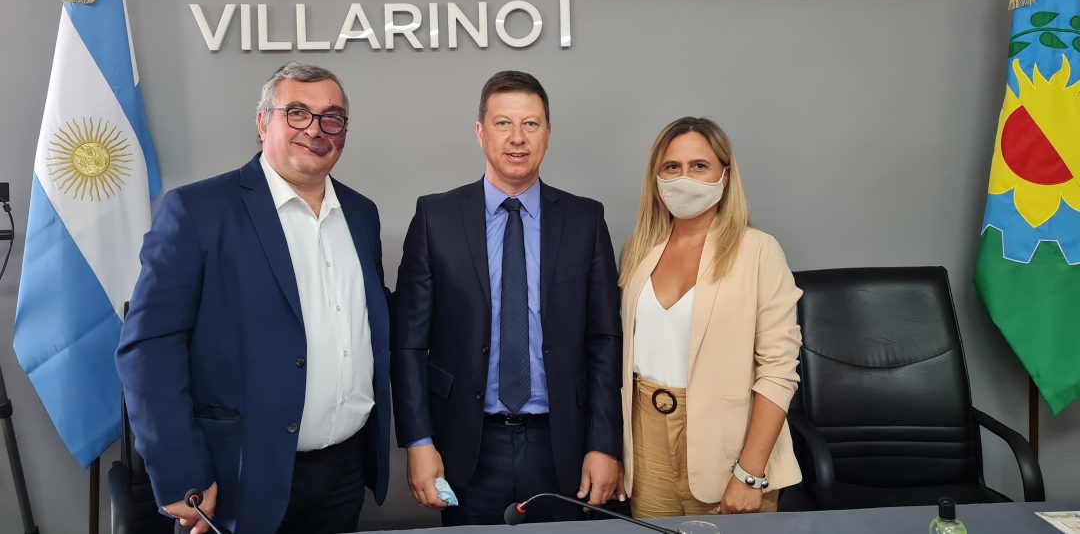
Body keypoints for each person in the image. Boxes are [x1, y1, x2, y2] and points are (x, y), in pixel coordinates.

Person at [116, 63, 391, 534]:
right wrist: (181, 470)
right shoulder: (197, 212)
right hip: (237, 475)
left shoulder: (362, 214)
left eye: (331, 118)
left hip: (344, 472)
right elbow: (148, 348)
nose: (315, 130)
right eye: (297, 113)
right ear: (263, 123)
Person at [391, 70, 623, 525]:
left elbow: (604, 340)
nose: (517, 138)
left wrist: (604, 444)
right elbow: (409, 344)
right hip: (467, 446)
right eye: (503, 124)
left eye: (530, 124)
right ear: (481, 132)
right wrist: (418, 442)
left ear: (548, 134)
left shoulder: (585, 220)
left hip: (562, 444)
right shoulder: (436, 218)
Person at [618, 117, 802, 518]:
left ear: (725, 175)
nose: (685, 178)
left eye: (699, 166)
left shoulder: (759, 251)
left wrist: (750, 472)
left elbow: (778, 370)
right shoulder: (639, 250)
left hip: (730, 449)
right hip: (646, 444)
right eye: (672, 167)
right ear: (656, 177)